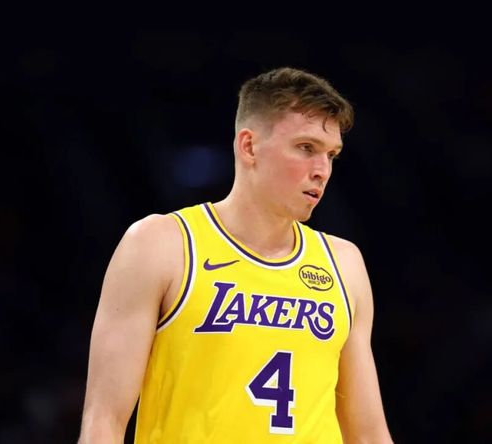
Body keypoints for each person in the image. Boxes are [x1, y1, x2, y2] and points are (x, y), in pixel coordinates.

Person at [78, 66, 394, 443]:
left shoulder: (343, 263)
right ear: (249, 146)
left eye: (331, 155)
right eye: (306, 148)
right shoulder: (161, 245)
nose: (322, 171)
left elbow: (368, 434)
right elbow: (104, 420)